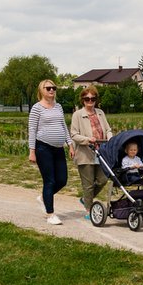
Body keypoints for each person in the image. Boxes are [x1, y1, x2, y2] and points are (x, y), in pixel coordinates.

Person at [28, 79, 75, 225]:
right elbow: (32, 130)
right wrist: (32, 151)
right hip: (43, 148)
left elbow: (63, 126)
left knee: (62, 180)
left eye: (53, 88)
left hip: (58, 148)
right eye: (48, 88)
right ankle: (50, 214)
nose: (51, 90)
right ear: (41, 90)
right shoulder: (37, 108)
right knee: (49, 181)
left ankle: (43, 198)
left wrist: (70, 144)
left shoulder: (58, 107)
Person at [70, 86, 112, 219]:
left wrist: (110, 138)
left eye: (93, 99)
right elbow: (74, 135)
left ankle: (86, 199)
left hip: (101, 152)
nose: (90, 101)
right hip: (85, 153)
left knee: (103, 179)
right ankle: (88, 209)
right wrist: (87, 139)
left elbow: (108, 129)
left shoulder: (100, 113)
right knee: (87, 185)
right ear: (83, 100)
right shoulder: (77, 115)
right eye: (87, 99)